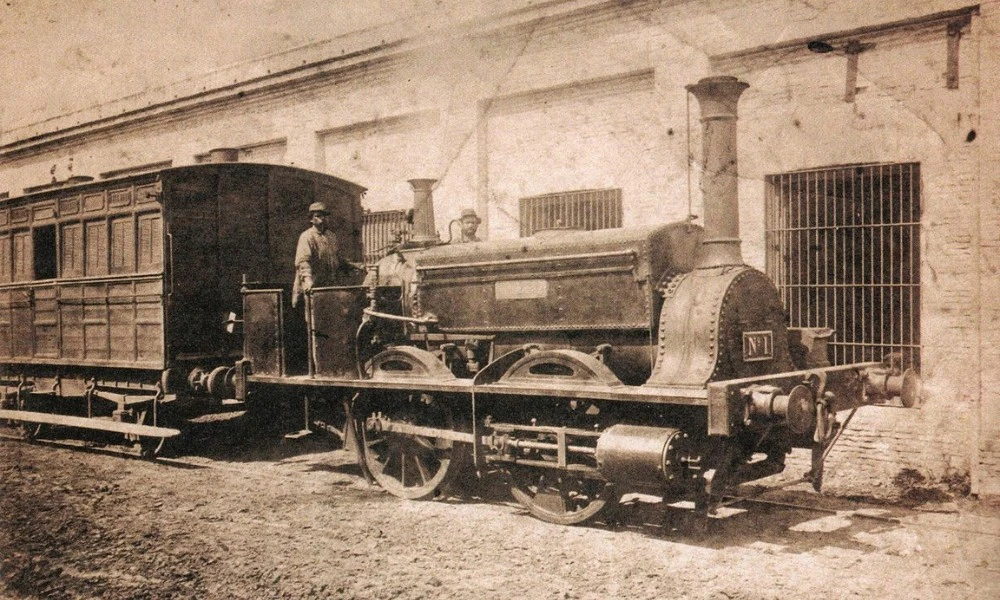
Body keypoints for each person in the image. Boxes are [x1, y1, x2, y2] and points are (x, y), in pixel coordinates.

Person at [292, 201, 340, 307]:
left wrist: (356, 266)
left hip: (329, 287)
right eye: (318, 216)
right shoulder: (307, 236)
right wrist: (308, 280)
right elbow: (303, 262)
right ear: (311, 219)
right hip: (313, 288)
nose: (322, 218)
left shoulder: (331, 236)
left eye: (325, 215)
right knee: (314, 314)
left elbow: (337, 258)